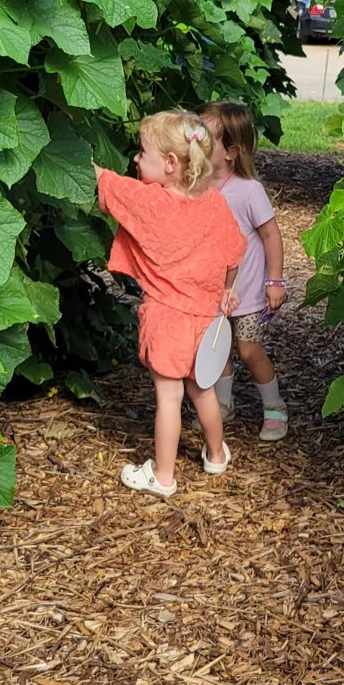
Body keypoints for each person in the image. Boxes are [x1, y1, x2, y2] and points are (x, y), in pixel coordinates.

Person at [95, 111, 246, 498]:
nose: (135, 159)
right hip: (205, 317)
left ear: (170, 163)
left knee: (168, 397)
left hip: (166, 318)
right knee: (203, 391)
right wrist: (227, 290)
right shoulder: (214, 203)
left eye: (142, 152)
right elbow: (233, 253)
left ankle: (163, 477)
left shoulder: (151, 202)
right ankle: (216, 455)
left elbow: (107, 185)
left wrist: (90, 162)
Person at [200, 101, 288, 442]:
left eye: (205, 140)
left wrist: (275, 281)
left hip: (248, 292)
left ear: (231, 152)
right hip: (211, 290)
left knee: (248, 350)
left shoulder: (248, 191)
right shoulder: (197, 187)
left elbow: (270, 235)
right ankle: (222, 406)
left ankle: (274, 406)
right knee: (216, 347)